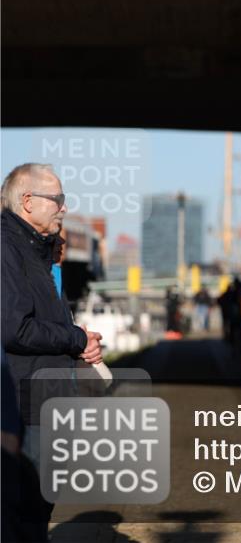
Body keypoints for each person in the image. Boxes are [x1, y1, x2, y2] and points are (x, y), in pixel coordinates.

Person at [1, 163, 103, 535]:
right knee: (24, 513)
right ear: (27, 201)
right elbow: (13, 328)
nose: (63, 207)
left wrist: (79, 341)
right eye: (57, 199)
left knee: (36, 509)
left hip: (42, 400)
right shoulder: (6, 248)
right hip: (24, 405)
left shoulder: (34, 251)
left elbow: (42, 319)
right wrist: (75, 339)